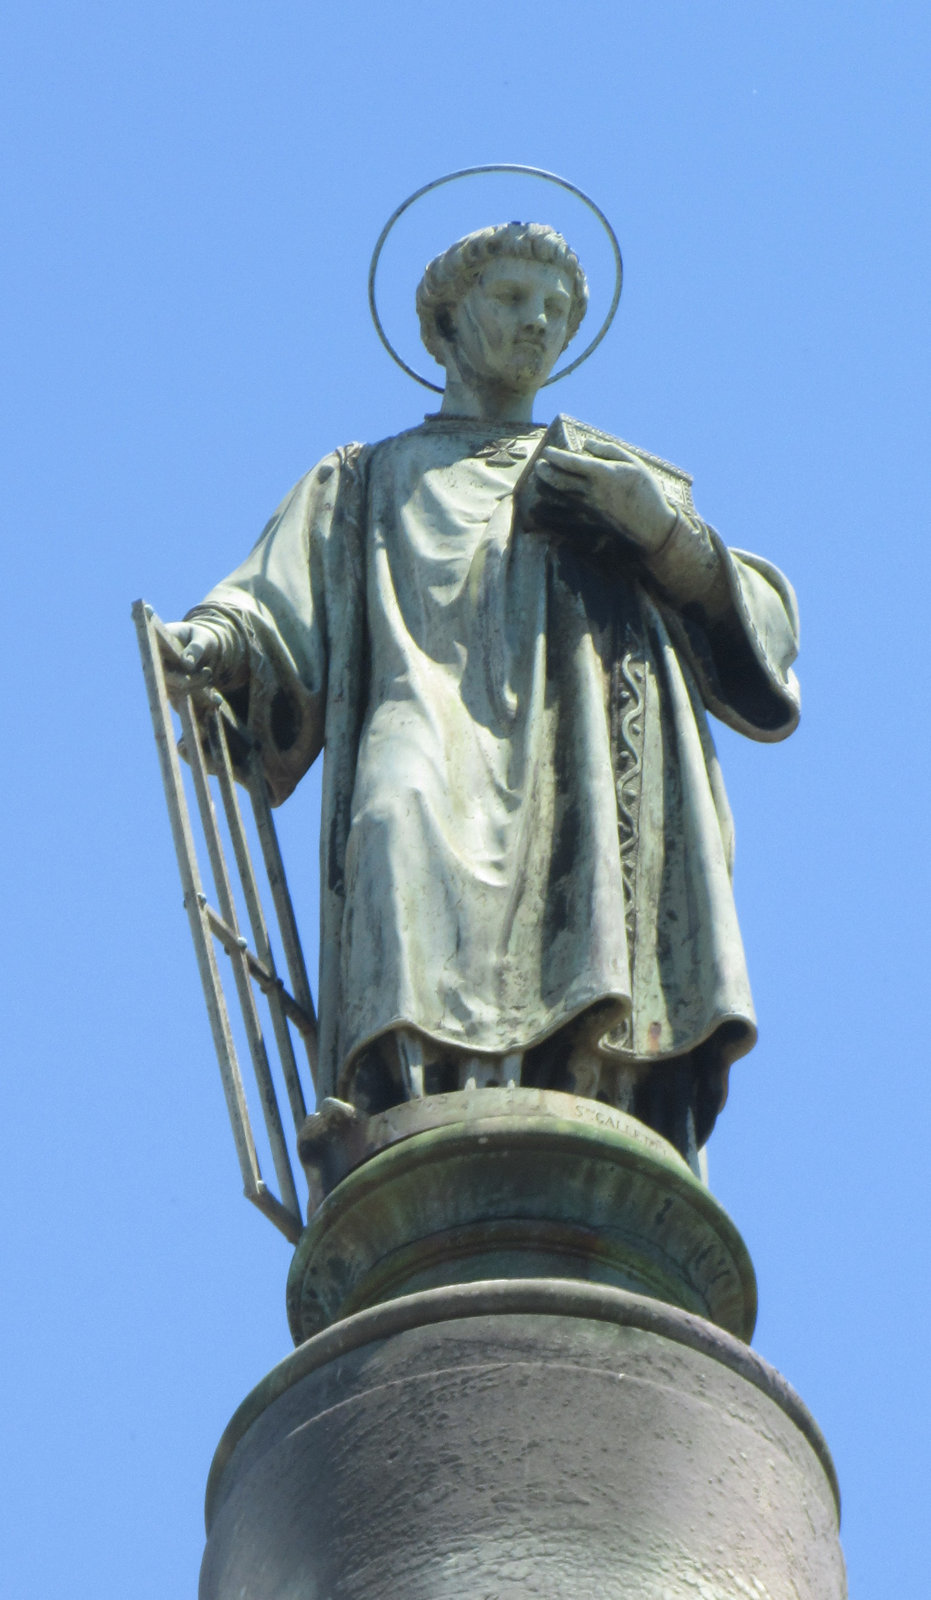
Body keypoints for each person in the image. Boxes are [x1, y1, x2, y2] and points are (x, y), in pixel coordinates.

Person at [162, 222, 799, 1170]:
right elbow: (270, 599)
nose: (535, 322)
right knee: (392, 814)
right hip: (426, 709)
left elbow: (760, 626)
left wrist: (661, 533)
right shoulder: (368, 476)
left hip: (576, 742)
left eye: (554, 309)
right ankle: (400, 1099)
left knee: (588, 900)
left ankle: (589, 1081)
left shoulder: (612, 474)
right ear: (444, 326)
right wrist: (212, 644)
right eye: (508, 299)